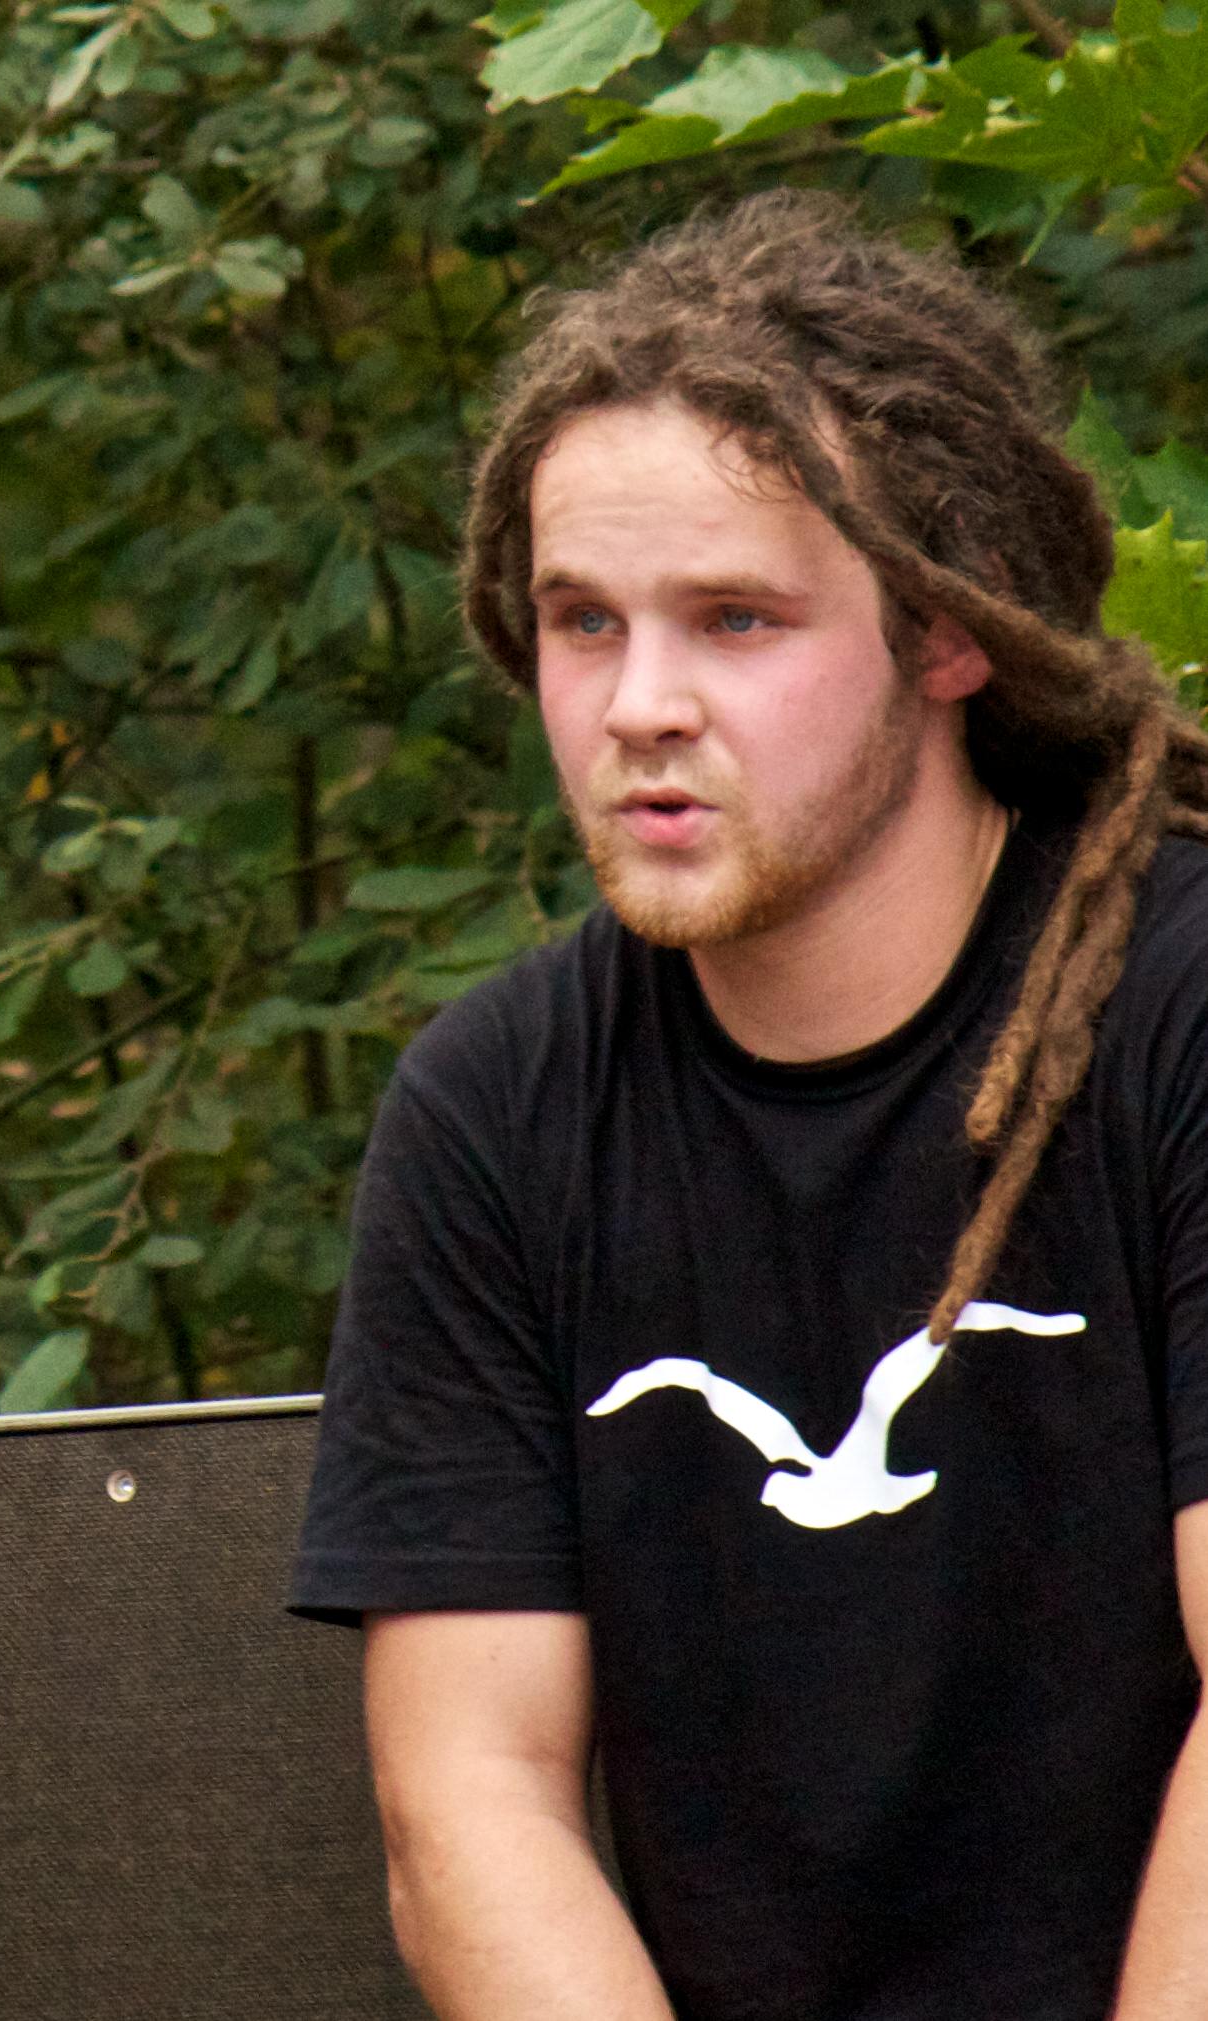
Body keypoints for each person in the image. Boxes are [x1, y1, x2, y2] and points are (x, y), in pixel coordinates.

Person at [289, 188, 1208, 2021]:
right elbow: (474, 1796)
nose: (641, 704)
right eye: (583, 621)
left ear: (949, 630)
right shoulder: (497, 1109)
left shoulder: (1179, 1008)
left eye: (734, 618)